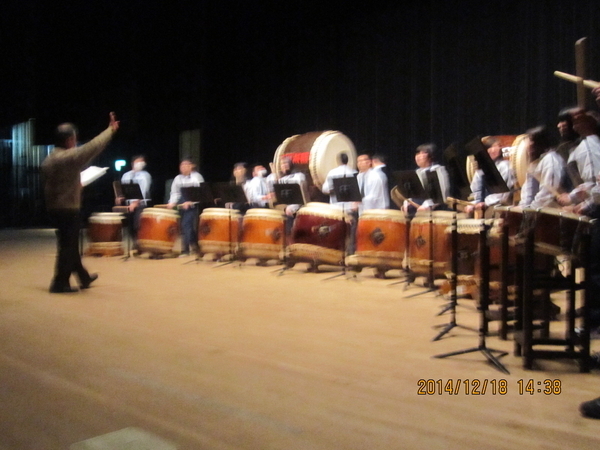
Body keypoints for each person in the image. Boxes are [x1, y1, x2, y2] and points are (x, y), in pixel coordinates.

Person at [41, 112, 119, 293]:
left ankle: (83, 277)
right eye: (75, 139)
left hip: (54, 207)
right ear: (69, 140)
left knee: (70, 244)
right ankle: (60, 283)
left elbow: (55, 183)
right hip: (68, 208)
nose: (76, 142)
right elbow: (92, 147)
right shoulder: (67, 157)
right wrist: (110, 130)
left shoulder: (49, 159)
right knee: (67, 247)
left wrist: (73, 185)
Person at [465, 137, 515, 216]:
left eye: (496, 146)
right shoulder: (480, 170)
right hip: (483, 207)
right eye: (489, 148)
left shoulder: (505, 166)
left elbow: (503, 194)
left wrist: (485, 203)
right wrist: (473, 204)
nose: (493, 150)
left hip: (499, 206)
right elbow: (476, 193)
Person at [518, 126, 564, 209]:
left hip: (548, 212)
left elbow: (547, 194)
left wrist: (529, 209)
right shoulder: (535, 164)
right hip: (535, 211)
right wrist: (522, 208)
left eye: (530, 140)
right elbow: (528, 194)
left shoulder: (550, 159)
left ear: (536, 143)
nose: (527, 145)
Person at [167, 157, 205, 256]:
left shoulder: (197, 177)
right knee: (185, 226)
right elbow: (175, 193)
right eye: (182, 165)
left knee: (186, 225)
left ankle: (185, 250)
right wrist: (172, 202)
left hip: (193, 205)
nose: (183, 167)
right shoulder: (177, 178)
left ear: (192, 166)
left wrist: (190, 201)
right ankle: (195, 245)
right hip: (181, 204)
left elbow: (200, 193)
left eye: (186, 164)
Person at [402, 143, 450, 214]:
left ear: (431, 155)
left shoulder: (438, 170)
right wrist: (408, 202)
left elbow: (443, 193)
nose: (418, 156)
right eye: (417, 153)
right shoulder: (417, 172)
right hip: (420, 206)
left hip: (436, 207)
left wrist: (427, 205)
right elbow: (414, 193)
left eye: (423, 153)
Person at [116, 155, 152, 247]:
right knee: (130, 226)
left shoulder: (145, 175)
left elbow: (144, 190)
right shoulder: (126, 175)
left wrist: (136, 203)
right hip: (129, 204)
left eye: (142, 162)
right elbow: (124, 190)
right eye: (138, 161)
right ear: (133, 163)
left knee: (138, 224)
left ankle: (140, 244)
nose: (141, 163)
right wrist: (120, 197)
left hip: (141, 204)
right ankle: (135, 244)